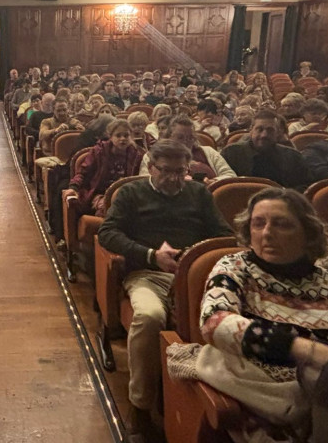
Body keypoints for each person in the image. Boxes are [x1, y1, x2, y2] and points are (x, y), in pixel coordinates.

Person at [195, 188, 328, 441]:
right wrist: (307, 350)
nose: (266, 233)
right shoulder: (235, 267)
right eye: (258, 224)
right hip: (270, 403)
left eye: (282, 224)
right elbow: (215, 322)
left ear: (307, 233)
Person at [97, 140, 233, 437]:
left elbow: (223, 234)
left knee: (226, 322)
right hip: (148, 273)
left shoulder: (198, 193)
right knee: (148, 317)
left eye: (180, 171)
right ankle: (140, 405)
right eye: (166, 171)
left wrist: (196, 255)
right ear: (151, 168)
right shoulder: (132, 193)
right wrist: (150, 254)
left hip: (193, 276)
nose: (173, 179)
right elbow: (107, 233)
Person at [68, 119, 144, 216]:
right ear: (110, 137)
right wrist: (73, 187)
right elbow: (83, 172)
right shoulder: (99, 151)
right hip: (99, 193)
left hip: (125, 194)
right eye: (118, 135)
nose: (123, 139)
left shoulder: (136, 155)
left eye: (126, 135)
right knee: (107, 209)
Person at [221, 109, 311, 190]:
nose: (264, 135)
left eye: (270, 130)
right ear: (251, 130)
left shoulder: (293, 157)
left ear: (278, 133)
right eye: (259, 129)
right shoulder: (231, 153)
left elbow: (305, 187)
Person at [140, 115, 235, 183]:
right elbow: (145, 180)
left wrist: (213, 181)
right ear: (168, 137)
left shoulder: (208, 152)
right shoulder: (152, 155)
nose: (186, 141)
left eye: (190, 138)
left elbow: (230, 175)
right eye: (180, 137)